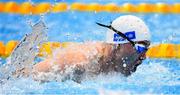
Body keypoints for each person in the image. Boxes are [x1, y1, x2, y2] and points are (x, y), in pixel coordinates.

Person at [30, 15, 151, 83]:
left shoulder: (117, 65)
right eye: (140, 48)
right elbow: (27, 76)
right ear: (118, 44)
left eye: (146, 49)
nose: (144, 56)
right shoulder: (80, 62)